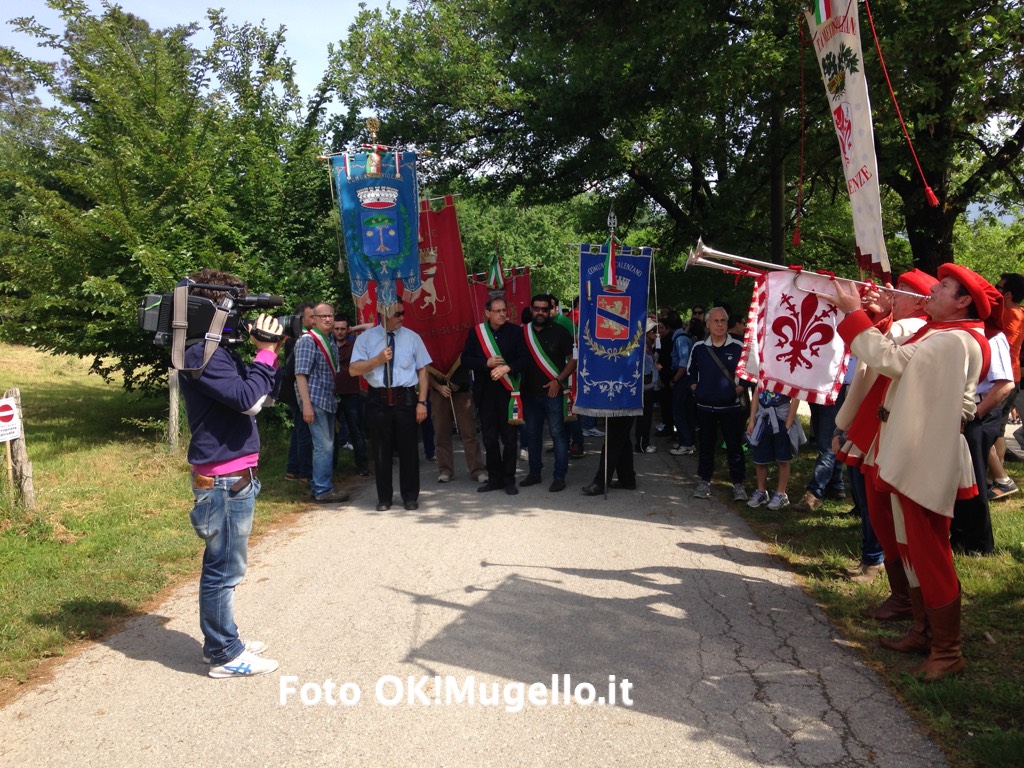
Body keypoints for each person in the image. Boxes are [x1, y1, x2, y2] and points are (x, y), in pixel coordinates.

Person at [827, 264, 999, 681]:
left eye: (943, 287)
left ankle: (947, 650)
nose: (933, 292)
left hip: (928, 455)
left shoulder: (954, 341)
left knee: (929, 552)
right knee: (908, 545)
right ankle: (923, 631)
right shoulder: (943, 334)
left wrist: (853, 313)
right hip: (917, 451)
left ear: (963, 302)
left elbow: (888, 358)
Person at [179, 268, 281, 678]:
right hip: (222, 479)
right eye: (232, 306)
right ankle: (224, 654)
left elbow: (258, 397)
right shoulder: (198, 352)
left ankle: (221, 638)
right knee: (222, 568)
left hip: (232, 474)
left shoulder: (213, 349)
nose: (238, 315)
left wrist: (265, 357)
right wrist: (267, 352)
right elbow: (245, 398)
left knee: (227, 565)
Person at [834, 269, 937, 617]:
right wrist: (877, 315)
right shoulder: (908, 326)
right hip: (878, 428)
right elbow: (880, 344)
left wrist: (857, 313)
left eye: (903, 292)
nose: (894, 294)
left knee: (891, 518)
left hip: (894, 433)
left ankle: (910, 600)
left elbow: (883, 353)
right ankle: (903, 595)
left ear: (922, 300)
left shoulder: (920, 328)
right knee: (879, 514)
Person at [350, 301, 432, 511]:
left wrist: (422, 402)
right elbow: (353, 370)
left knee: (409, 451)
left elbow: (423, 371)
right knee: (380, 450)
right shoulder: (367, 339)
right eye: (397, 314)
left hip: (405, 398)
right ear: (382, 313)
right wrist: (377, 359)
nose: (402, 317)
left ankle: (410, 496)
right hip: (378, 398)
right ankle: (384, 498)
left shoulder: (412, 337)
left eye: (403, 313)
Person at [462, 296, 528, 494]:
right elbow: (465, 359)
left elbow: (525, 359)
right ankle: (495, 478)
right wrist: (486, 363)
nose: (502, 314)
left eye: (504, 310)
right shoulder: (476, 333)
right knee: (489, 438)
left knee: (509, 438)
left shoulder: (515, 332)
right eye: (497, 311)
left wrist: (507, 368)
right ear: (487, 313)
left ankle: (509, 479)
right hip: (486, 394)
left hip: (509, 393)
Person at [688, 307, 747, 501]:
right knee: (706, 446)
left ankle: (738, 485)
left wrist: (740, 387)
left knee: (734, 447)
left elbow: (748, 372)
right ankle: (704, 481)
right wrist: (697, 388)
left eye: (723, 321)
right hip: (705, 407)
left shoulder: (738, 346)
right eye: (716, 321)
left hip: (731, 408)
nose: (720, 324)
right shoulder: (699, 348)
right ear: (708, 324)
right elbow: (691, 371)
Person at [520, 294, 576, 493]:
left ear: (551, 309)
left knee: (558, 435)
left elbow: (573, 359)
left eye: (545, 309)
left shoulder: (560, 332)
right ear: (531, 308)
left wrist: (558, 381)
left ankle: (559, 476)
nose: (541, 312)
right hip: (529, 394)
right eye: (537, 308)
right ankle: (534, 473)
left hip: (553, 394)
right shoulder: (523, 332)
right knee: (533, 435)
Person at [294, 302, 349, 504]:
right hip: (314, 399)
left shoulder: (330, 340)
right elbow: (300, 374)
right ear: (314, 319)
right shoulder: (308, 341)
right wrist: (306, 405)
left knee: (327, 445)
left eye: (330, 315)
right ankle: (322, 490)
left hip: (327, 399)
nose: (327, 319)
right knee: (323, 446)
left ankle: (321, 485)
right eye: (323, 316)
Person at [987, 272, 1024, 498]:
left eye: (997, 287)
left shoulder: (1005, 313)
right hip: (1014, 377)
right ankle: (995, 479)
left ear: (1007, 294)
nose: (994, 291)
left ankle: (1001, 477)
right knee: (998, 431)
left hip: (1000, 378)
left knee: (982, 429)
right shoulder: (1021, 313)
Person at [427, 362, 487, 485]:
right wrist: (438, 387)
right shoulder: (429, 342)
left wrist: (458, 383)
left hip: (462, 391)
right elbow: (423, 369)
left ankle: (477, 469)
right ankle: (445, 470)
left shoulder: (461, 341)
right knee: (441, 433)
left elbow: (467, 360)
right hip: (439, 393)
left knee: (469, 432)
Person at [745, 385, 799, 510]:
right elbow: (757, 393)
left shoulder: (788, 371)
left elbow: (796, 397)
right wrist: (752, 420)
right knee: (760, 458)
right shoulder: (764, 369)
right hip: (763, 418)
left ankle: (781, 493)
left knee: (783, 458)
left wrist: (788, 424)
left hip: (781, 418)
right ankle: (761, 492)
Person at [333, 315, 369, 477]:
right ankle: (332, 468)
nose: (339, 332)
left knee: (356, 430)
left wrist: (352, 329)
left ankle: (362, 466)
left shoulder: (354, 343)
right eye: (337, 328)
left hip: (351, 393)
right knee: (331, 433)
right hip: (332, 393)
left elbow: (371, 327)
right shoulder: (327, 343)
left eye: (343, 329)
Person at [282, 302, 314, 482]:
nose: (315, 320)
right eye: (311, 317)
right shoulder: (299, 339)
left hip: (293, 391)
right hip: (298, 391)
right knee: (303, 432)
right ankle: (304, 473)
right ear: (301, 319)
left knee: (297, 430)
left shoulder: (292, 338)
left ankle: (292, 469)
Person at [667, 312, 696, 455]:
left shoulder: (680, 339)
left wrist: (674, 379)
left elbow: (683, 364)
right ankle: (689, 441)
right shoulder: (683, 337)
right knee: (687, 410)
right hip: (685, 378)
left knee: (679, 411)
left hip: (682, 378)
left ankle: (686, 443)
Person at [634, 319, 658, 453]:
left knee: (644, 416)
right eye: (653, 331)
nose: (656, 334)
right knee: (644, 417)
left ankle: (642, 443)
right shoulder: (644, 346)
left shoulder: (647, 345)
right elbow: (646, 368)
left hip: (646, 386)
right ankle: (643, 444)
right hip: (645, 386)